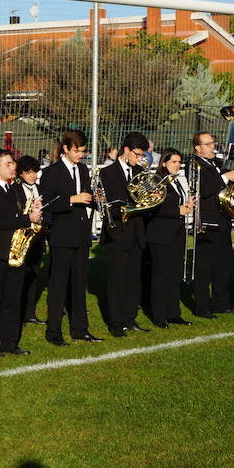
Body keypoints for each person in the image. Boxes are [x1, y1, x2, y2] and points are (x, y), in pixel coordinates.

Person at [37, 129, 100, 346]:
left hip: (81, 236)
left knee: (79, 284)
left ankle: (80, 329)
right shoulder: (51, 172)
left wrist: (96, 199)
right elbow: (48, 204)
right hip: (62, 237)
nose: (80, 155)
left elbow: (87, 196)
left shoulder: (82, 169)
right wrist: (73, 199)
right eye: (76, 151)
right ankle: (53, 332)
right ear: (65, 148)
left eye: (83, 151)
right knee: (58, 286)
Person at [0, 149, 41, 358]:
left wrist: (35, 209)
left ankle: (10, 342)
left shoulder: (13, 190)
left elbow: (18, 215)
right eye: (8, 164)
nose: (13, 167)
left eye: (13, 163)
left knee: (13, 300)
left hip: (16, 253)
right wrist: (27, 218)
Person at [98, 132, 152, 337]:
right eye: (137, 154)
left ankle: (130, 318)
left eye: (142, 155)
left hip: (137, 232)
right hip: (119, 232)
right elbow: (112, 203)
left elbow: (148, 198)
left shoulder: (141, 171)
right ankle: (115, 321)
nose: (140, 159)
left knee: (132, 280)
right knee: (117, 280)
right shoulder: (108, 172)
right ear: (127, 150)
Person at [187, 132, 234, 319]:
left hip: (223, 220)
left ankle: (221, 304)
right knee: (204, 269)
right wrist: (226, 176)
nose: (213, 146)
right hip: (206, 223)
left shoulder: (216, 163)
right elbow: (204, 189)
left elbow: (231, 167)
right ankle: (202, 308)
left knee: (223, 267)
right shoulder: (194, 165)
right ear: (198, 148)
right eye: (209, 144)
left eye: (213, 143)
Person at [145, 147, 193, 327]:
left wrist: (187, 205)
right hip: (160, 235)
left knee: (174, 274)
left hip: (176, 233)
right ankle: (159, 316)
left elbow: (176, 204)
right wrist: (177, 210)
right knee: (160, 276)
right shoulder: (156, 180)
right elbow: (152, 208)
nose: (177, 165)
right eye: (174, 161)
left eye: (179, 162)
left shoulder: (175, 181)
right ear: (164, 163)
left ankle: (174, 313)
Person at [13, 156, 46, 326]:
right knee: (19, 277)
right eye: (28, 172)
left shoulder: (40, 188)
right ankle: (17, 313)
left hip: (37, 238)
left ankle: (30, 313)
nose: (32, 175)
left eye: (34, 172)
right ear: (20, 173)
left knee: (34, 275)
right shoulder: (15, 189)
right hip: (21, 238)